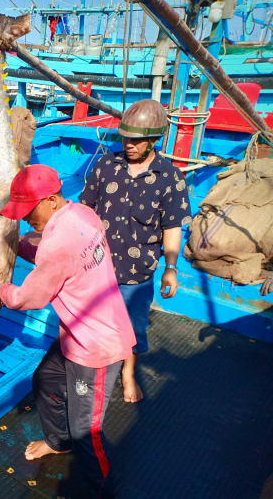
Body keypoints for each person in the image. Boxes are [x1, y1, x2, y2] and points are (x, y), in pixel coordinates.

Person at [0, 165, 136, 499]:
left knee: (85, 432)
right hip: (78, 333)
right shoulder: (83, 214)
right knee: (45, 379)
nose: (25, 218)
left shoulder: (56, 242)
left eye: (28, 210)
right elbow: (62, 261)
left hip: (96, 347)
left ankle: (101, 491)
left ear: (50, 200)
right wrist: (23, 248)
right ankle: (57, 442)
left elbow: (25, 298)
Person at [79, 99, 193, 403]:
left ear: (154, 140)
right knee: (91, 322)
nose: (129, 145)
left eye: (137, 140)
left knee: (131, 327)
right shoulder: (106, 165)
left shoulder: (170, 177)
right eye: (125, 138)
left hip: (137, 273)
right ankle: (93, 367)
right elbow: (84, 210)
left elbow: (172, 227)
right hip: (96, 267)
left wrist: (170, 268)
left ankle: (127, 374)